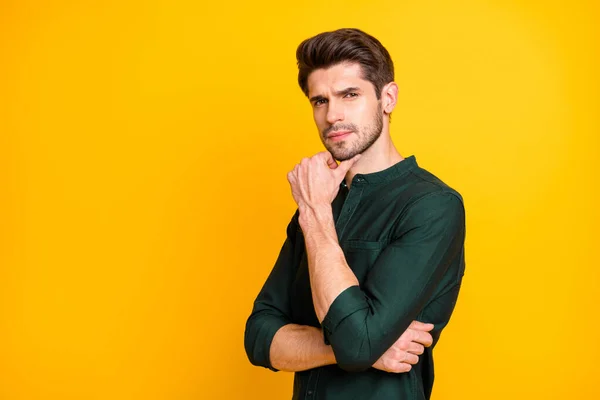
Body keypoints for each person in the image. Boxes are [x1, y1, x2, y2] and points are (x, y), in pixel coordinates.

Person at [244, 28, 466, 400]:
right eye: (319, 101)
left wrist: (314, 213)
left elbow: (359, 343)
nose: (332, 115)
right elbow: (258, 336)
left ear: (387, 98)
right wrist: (347, 349)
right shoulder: (320, 203)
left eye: (350, 95)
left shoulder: (432, 206)